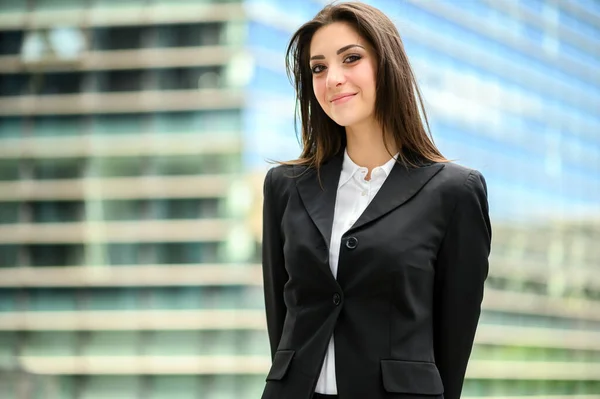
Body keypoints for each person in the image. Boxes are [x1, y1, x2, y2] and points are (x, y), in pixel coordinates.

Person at [260, 2, 491, 399]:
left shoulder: (455, 191)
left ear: (388, 64)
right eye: (318, 67)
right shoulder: (285, 186)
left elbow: (454, 339)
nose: (332, 78)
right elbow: (281, 324)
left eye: (351, 58)